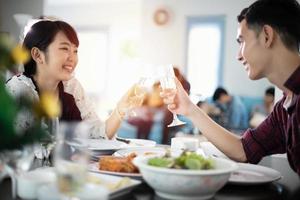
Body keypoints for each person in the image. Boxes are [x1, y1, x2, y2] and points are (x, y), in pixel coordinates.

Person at [161, 0, 300, 176]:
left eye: (241, 41)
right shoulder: (284, 108)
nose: (238, 55)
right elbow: (244, 150)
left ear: (266, 35)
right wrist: (189, 108)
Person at [6, 20, 143, 139]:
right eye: (64, 48)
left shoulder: (71, 86)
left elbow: (96, 134)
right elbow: (30, 150)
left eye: (75, 51)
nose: (72, 58)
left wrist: (121, 107)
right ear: (37, 55)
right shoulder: (18, 90)